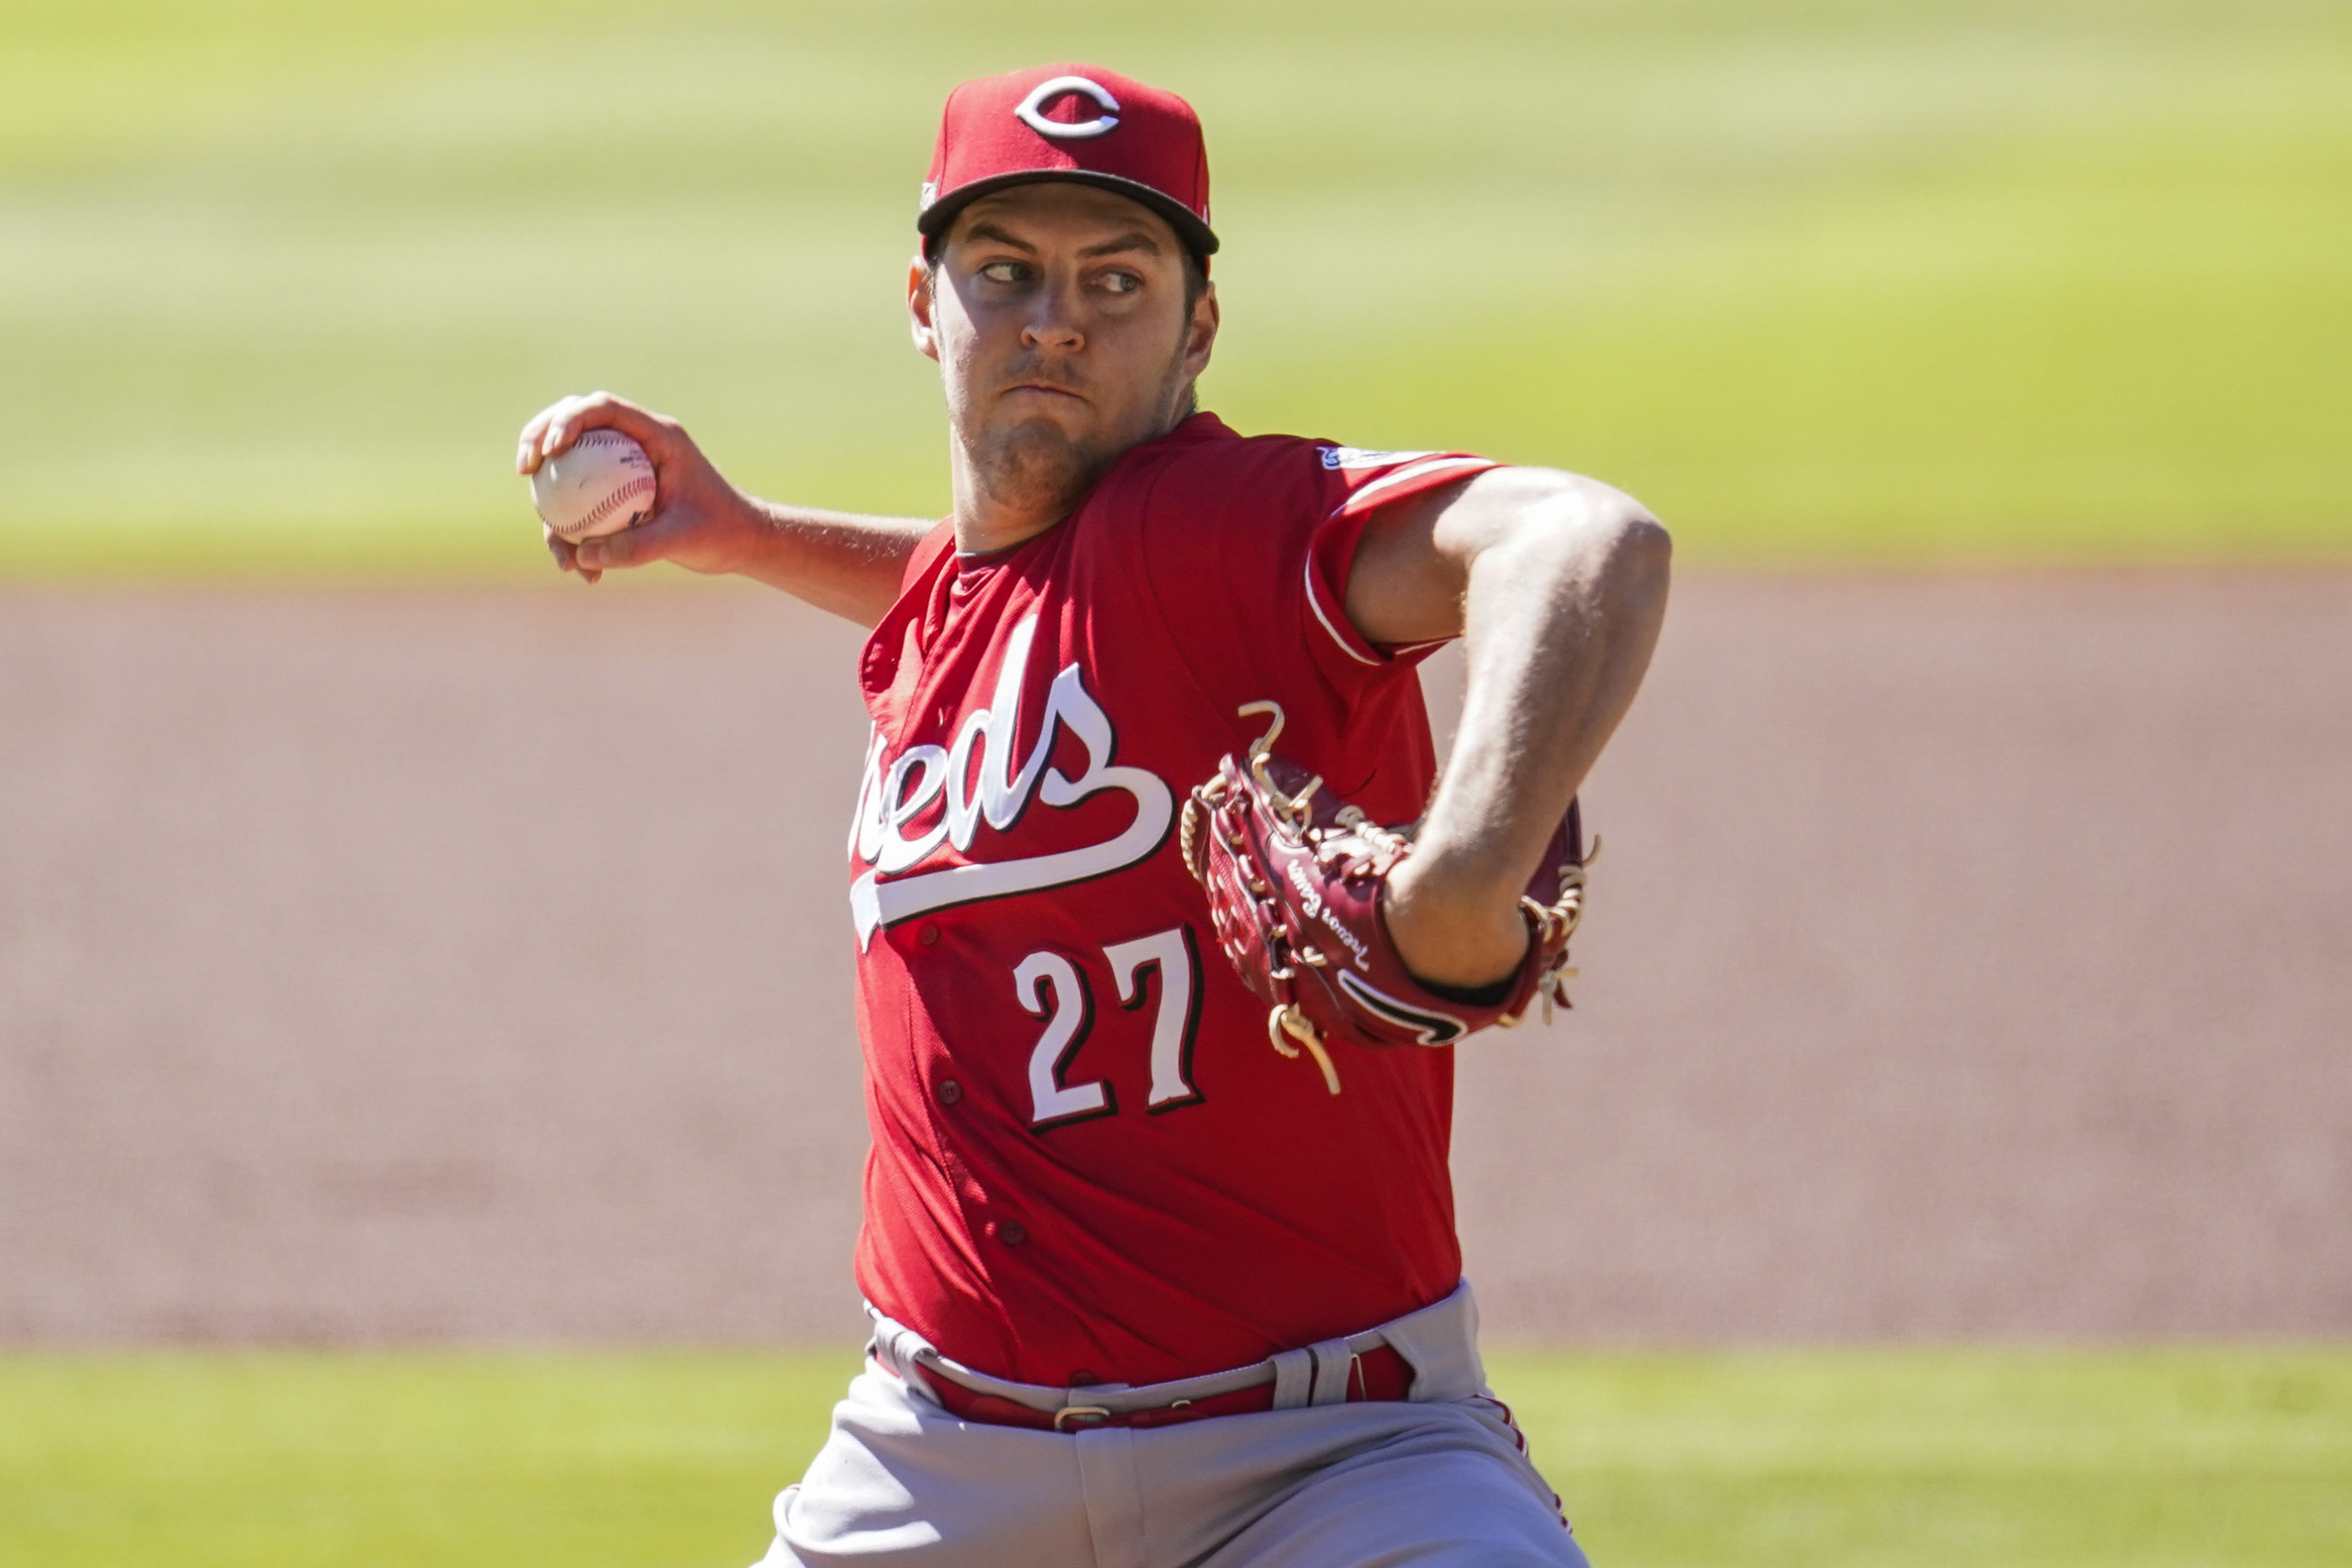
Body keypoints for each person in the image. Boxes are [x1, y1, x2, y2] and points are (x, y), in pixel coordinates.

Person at [516, 62, 1668, 1568]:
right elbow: (984, 582)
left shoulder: (1232, 528)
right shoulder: (966, 602)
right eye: (1006, 273)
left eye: (1115, 281)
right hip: (934, 1461)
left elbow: (1585, 538)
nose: (1055, 316)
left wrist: (1461, 876)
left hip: (1330, 1461)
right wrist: (745, 537)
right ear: (926, 305)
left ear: (1197, 328)